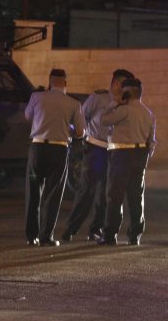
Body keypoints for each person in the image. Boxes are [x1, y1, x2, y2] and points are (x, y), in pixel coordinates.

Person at [61, 69, 134, 242]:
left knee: (105, 194)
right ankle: (71, 228)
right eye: (123, 84)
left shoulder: (126, 103)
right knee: (86, 190)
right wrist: (83, 138)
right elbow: (82, 117)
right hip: (95, 148)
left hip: (114, 151)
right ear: (115, 83)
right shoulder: (98, 97)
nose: (124, 88)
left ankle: (96, 229)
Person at [24, 69, 85, 246]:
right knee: (53, 193)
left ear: (49, 82)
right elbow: (80, 132)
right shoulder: (73, 103)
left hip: (37, 148)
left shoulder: (37, 97)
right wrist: (68, 127)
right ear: (65, 83)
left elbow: (28, 116)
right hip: (58, 150)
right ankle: (46, 236)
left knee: (33, 191)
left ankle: (30, 236)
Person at [97, 78, 156, 246]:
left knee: (115, 196)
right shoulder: (148, 113)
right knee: (136, 196)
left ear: (127, 94)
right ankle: (134, 236)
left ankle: (110, 235)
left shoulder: (124, 110)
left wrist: (114, 104)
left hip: (121, 155)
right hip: (140, 154)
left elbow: (104, 120)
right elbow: (152, 140)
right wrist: (146, 155)